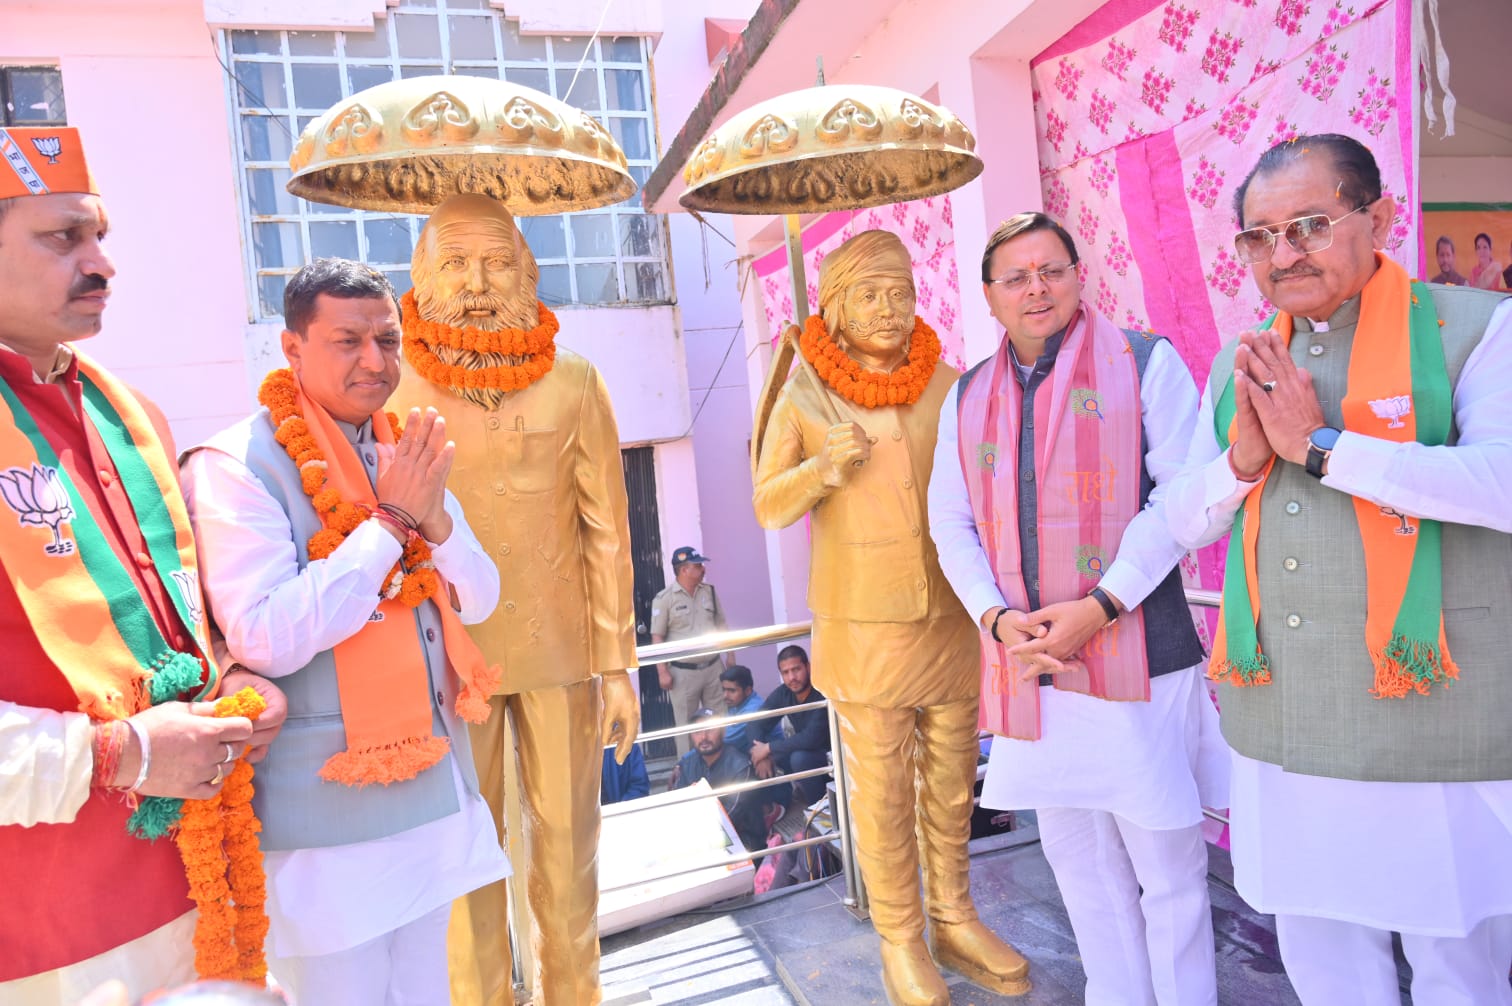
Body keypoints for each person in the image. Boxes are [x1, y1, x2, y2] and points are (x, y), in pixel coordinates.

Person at [1165, 133, 1512, 1006]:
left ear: (1380, 219)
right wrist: (1242, 463)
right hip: (1289, 716)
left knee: (1455, 956)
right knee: (1322, 952)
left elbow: (1503, 484)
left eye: (1311, 225)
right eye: (1260, 236)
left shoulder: (1479, 328)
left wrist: (1321, 447)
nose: (1284, 254)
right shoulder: (1238, 363)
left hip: (1436, 712)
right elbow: (1183, 516)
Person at [0, 126, 286, 1005]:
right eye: (63, 238)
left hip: (202, 891)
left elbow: (164, 623)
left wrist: (230, 678)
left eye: (99, 235)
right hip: (46, 941)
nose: (102, 264)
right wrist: (123, 753)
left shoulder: (130, 415)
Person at [182, 259, 509, 1005]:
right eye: (348, 341)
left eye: (388, 340)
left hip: (432, 795)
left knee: (426, 992)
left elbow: (481, 600)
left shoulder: (400, 449)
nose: (375, 360)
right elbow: (266, 636)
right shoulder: (238, 466)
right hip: (325, 827)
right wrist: (390, 523)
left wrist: (432, 520)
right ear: (292, 348)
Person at [929, 211, 1226, 1006]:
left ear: (1078, 275)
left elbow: (1183, 498)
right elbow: (949, 521)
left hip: (1141, 656)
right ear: (989, 295)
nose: (1037, 289)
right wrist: (995, 619)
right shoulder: (968, 396)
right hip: (1032, 666)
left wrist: (1103, 603)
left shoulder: (1144, 361)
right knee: (1079, 864)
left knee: (1168, 867)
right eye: (1016, 277)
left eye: (1051, 270)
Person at [753, 228, 1032, 1006]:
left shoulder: (949, 384)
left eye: (900, 293)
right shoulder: (805, 394)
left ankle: (955, 915)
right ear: (836, 309)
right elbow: (768, 504)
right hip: (864, 625)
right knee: (879, 792)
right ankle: (901, 937)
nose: (888, 309)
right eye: (869, 295)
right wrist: (821, 468)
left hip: (949, 611)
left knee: (951, 779)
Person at [392, 192, 639, 1006]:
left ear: (527, 272)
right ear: (422, 276)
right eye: (456, 264)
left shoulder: (574, 383)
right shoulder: (393, 390)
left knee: (570, 856)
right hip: (445, 672)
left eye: (497, 263)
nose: (476, 284)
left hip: (563, 659)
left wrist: (619, 666)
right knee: (465, 867)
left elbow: (607, 534)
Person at [650, 545, 731, 755]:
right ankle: (687, 769)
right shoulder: (664, 599)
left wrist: (731, 656)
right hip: (683, 673)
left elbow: (722, 625)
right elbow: (657, 637)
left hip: (713, 668)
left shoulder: (709, 592)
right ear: (684, 570)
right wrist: (662, 671)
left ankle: (723, 765)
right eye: (697, 565)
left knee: (719, 719)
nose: (703, 569)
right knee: (686, 726)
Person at [668, 708, 770, 853]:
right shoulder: (688, 763)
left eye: (710, 730)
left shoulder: (740, 766)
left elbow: (729, 817)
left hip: (742, 840)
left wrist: (700, 801)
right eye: (697, 731)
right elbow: (678, 809)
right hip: (701, 838)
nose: (703, 737)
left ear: (723, 732)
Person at [745, 646, 832, 807]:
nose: (792, 677)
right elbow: (755, 724)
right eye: (785, 672)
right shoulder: (784, 692)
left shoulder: (822, 690)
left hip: (831, 756)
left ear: (808, 666)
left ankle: (820, 812)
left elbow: (812, 738)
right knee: (754, 754)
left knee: (799, 759)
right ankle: (776, 807)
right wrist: (761, 755)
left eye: (796, 669)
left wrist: (768, 748)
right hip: (806, 752)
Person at [718, 663, 764, 753]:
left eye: (732, 691)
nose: (725, 696)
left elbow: (722, 741)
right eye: (724, 690)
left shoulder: (753, 710)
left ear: (748, 691)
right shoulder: (736, 703)